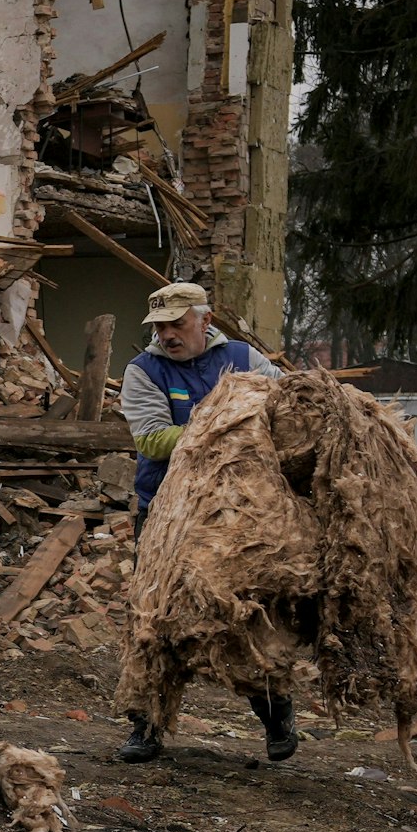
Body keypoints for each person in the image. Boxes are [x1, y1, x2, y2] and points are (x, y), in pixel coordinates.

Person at [115, 281, 287, 764]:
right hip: (167, 513)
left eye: (177, 323)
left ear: (204, 320)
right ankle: (146, 725)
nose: (167, 334)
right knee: (153, 618)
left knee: (250, 614)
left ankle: (276, 715)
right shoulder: (143, 370)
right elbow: (152, 439)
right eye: (160, 326)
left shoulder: (243, 358)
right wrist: (226, 426)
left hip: (240, 512)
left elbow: (286, 406)